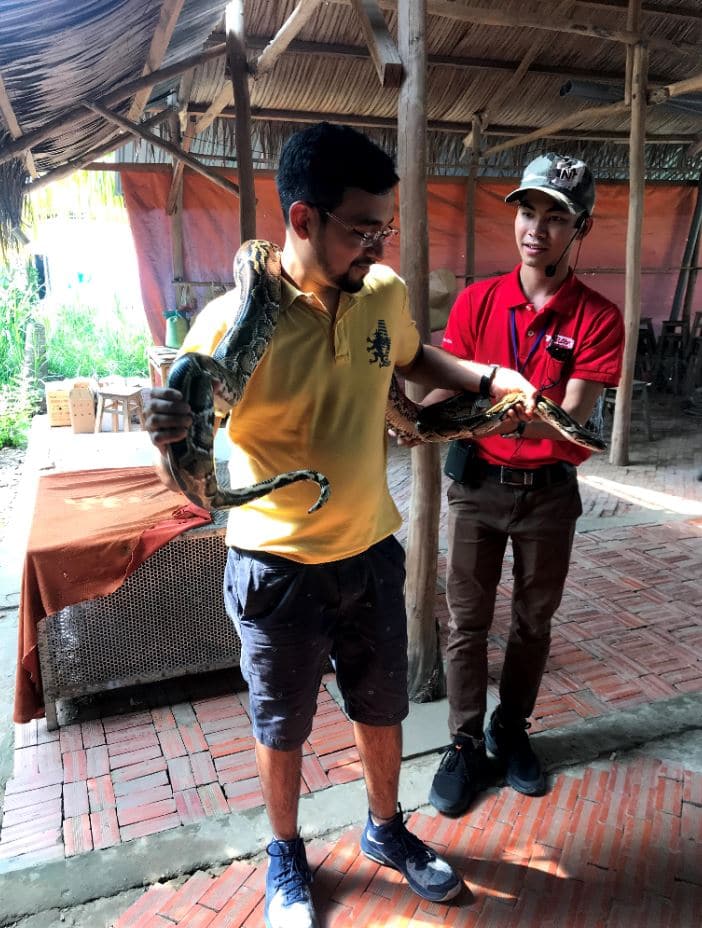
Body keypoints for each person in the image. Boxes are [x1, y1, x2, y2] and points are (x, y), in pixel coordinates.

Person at [143, 122, 536, 928]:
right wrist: (166, 436)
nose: (376, 246)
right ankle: (286, 851)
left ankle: (386, 830)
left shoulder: (381, 290)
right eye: (361, 230)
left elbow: (413, 358)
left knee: (381, 705)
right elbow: (182, 478)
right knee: (281, 722)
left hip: (371, 552)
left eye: (383, 228)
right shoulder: (225, 332)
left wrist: (492, 377)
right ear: (301, 219)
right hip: (276, 567)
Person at [427, 153, 625, 818]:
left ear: (581, 227)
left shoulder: (598, 318)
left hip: (547, 492)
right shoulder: (477, 301)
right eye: (526, 211)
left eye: (555, 216)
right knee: (467, 621)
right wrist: (405, 379)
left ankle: (509, 730)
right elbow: (438, 386)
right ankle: (462, 744)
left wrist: (515, 409)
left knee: (533, 622)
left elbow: (571, 421)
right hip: (477, 486)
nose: (535, 228)